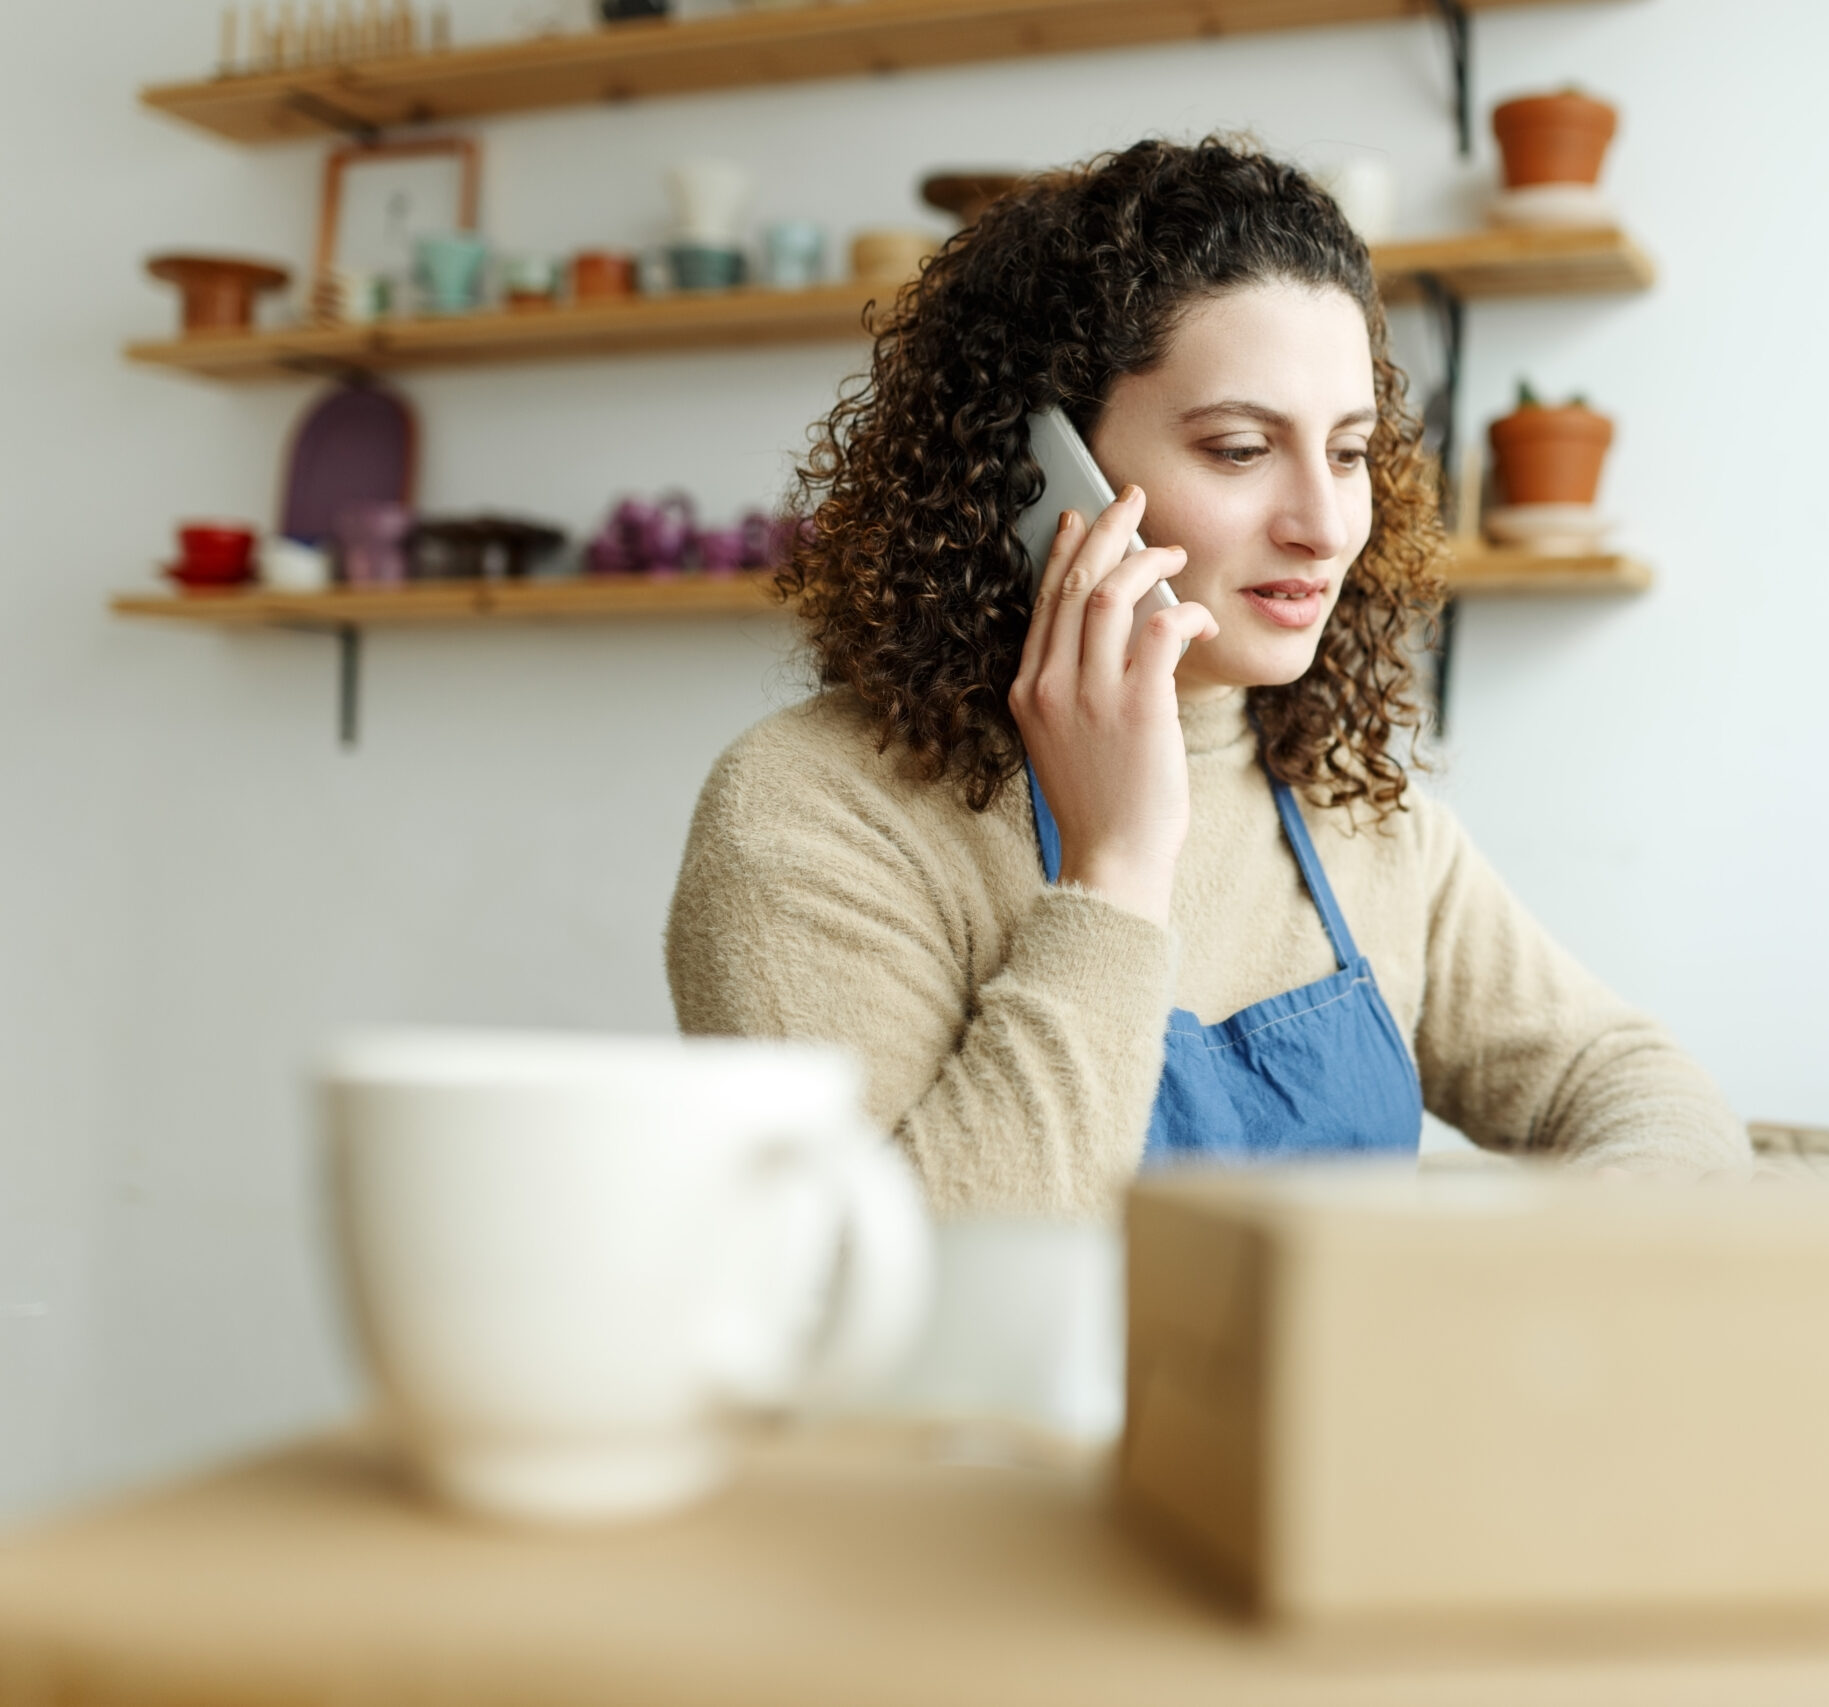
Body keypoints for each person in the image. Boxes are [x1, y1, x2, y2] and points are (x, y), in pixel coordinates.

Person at [666, 138, 1747, 1217]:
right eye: (1238, 449)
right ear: (1036, 471)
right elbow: (913, 1289)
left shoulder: (1346, 801)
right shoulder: (813, 817)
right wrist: (1117, 869)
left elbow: (1639, 1088)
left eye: (1347, 452)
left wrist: (1555, 1257)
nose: (1324, 528)